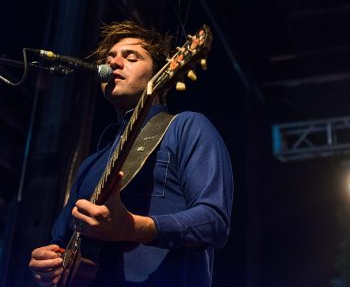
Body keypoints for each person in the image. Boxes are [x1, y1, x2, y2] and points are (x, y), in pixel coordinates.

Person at [28, 20, 233, 287]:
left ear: (161, 73)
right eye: (109, 58)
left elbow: (214, 222)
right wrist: (48, 262)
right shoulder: (90, 165)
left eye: (131, 57)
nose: (114, 63)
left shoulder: (187, 127)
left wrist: (133, 227)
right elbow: (61, 241)